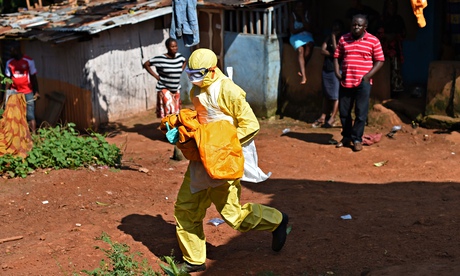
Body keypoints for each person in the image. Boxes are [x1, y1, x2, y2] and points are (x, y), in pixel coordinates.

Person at [174, 48, 289, 273]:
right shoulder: (195, 89)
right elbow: (203, 117)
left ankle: (276, 220)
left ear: (212, 70)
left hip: (223, 160)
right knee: (186, 208)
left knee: (233, 216)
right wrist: (187, 126)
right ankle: (194, 259)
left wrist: (221, 146)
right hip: (201, 157)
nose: (194, 79)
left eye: (199, 74)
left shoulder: (228, 90)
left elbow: (250, 125)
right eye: (191, 74)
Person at [333, 14, 384, 152]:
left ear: (365, 27)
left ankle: (357, 139)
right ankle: (346, 137)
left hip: (363, 82)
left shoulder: (373, 41)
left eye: (359, 25)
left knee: (361, 113)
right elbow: (337, 57)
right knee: (344, 112)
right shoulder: (344, 39)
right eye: (354, 24)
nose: (356, 27)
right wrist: (338, 73)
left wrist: (368, 76)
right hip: (346, 80)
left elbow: (380, 60)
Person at [143, 37, 186, 118]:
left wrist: (181, 70)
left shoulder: (179, 57)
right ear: (167, 47)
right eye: (172, 47)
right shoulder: (160, 59)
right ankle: (169, 128)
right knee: (170, 110)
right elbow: (146, 64)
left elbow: (185, 61)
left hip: (176, 88)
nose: (175, 48)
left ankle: (173, 128)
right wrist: (156, 76)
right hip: (164, 87)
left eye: (176, 46)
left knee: (177, 111)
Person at [312, 19, 344, 128]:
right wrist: (332, 54)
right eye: (334, 28)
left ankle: (332, 117)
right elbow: (322, 50)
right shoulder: (328, 37)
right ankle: (323, 116)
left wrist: (334, 38)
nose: (335, 30)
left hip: (336, 70)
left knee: (335, 95)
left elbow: (337, 52)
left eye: (337, 28)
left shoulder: (342, 39)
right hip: (326, 68)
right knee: (326, 94)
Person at [5, 45, 40, 134]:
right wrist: (6, 94)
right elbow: (8, 80)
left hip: (28, 91)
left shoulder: (29, 61)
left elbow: (33, 77)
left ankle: (34, 135)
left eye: (12, 51)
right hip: (14, 92)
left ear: (18, 50)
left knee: (30, 115)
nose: (11, 53)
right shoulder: (9, 62)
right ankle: (18, 135)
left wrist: (36, 92)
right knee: (14, 114)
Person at [376, 0, 406, 96]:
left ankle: (396, 92)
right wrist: (386, 36)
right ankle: (383, 91)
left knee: (395, 69)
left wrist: (394, 36)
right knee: (383, 69)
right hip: (383, 48)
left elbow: (403, 33)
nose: (391, 7)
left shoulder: (398, 19)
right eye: (389, 5)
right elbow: (377, 33)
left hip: (395, 49)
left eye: (393, 5)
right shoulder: (381, 19)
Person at [289, 0, 314, 84]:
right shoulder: (292, 16)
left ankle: (302, 67)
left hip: (306, 35)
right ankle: (304, 76)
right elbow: (293, 30)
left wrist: (302, 17)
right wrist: (303, 28)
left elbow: (309, 27)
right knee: (300, 50)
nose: (299, 8)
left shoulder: (307, 14)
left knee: (309, 45)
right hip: (295, 36)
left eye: (301, 7)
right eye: (298, 7)